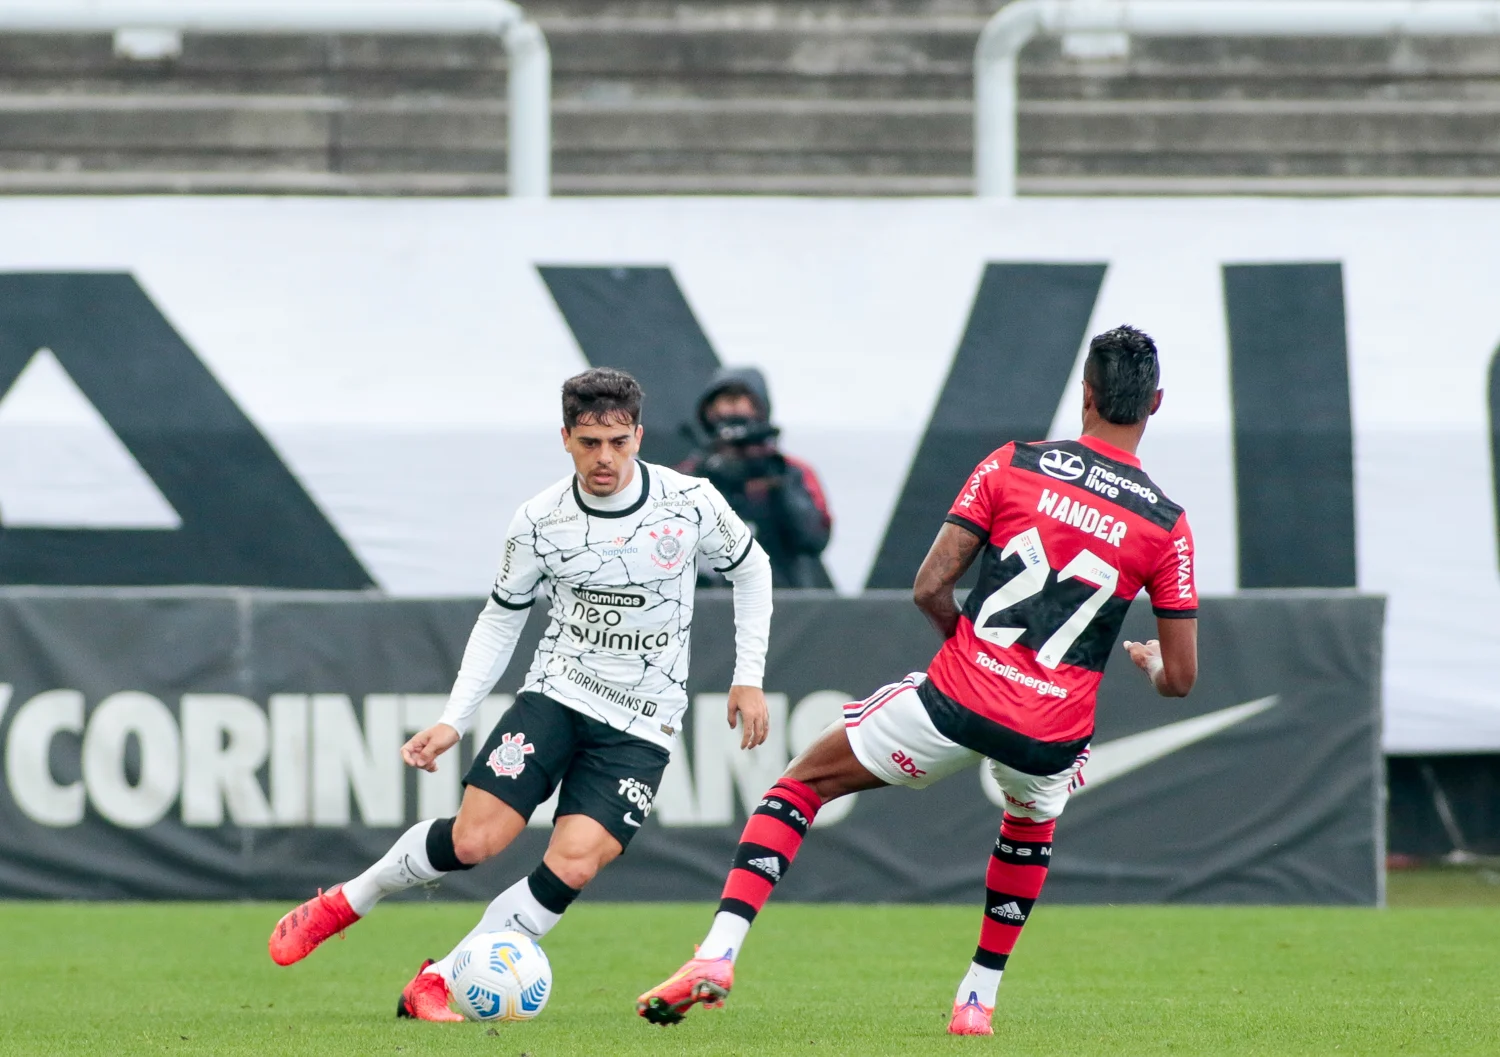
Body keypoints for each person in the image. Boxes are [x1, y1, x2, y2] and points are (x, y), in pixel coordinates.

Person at [636, 325, 1198, 1035]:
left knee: (800, 784)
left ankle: (717, 954)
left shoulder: (1012, 465)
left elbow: (931, 585)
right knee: (1027, 822)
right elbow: (1180, 680)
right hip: (1052, 731)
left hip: (959, 699)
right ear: (1155, 403)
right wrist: (1147, 662)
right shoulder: (1166, 524)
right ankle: (977, 999)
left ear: (1084, 392)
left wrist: (970, 653)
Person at [267, 367, 774, 1022]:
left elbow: (751, 567)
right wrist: (455, 717)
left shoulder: (690, 500)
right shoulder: (539, 520)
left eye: (618, 442)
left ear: (638, 435)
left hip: (644, 724)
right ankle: (347, 900)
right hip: (557, 696)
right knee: (475, 840)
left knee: (575, 861)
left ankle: (439, 981)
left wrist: (749, 674)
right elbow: (502, 616)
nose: (605, 458)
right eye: (590, 442)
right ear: (565, 437)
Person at [679, 367, 832, 588]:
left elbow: (814, 538)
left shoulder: (791, 471)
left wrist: (778, 486)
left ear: (760, 408)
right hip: (704, 607)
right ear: (708, 412)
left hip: (779, 605)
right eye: (724, 401)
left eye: (741, 400)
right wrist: (711, 479)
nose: (732, 408)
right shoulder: (687, 476)